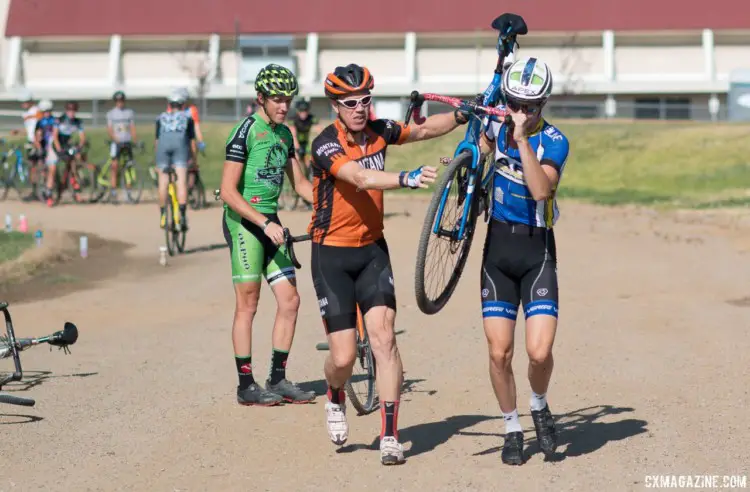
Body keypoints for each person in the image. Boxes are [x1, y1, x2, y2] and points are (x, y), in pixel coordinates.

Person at [310, 63, 469, 465]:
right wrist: (406, 178)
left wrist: (462, 115)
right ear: (336, 106)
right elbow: (359, 179)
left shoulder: (380, 131)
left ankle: (390, 434)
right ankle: (334, 394)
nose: (360, 108)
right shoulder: (324, 143)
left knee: (384, 339)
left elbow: (422, 130)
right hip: (331, 254)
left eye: (365, 100)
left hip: (371, 252)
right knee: (343, 358)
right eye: (351, 103)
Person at [478, 57, 569, 466]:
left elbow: (540, 191)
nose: (520, 113)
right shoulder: (496, 126)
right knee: (499, 353)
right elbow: (473, 154)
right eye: (513, 103)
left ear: (543, 105)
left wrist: (520, 140)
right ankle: (512, 426)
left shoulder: (554, 141)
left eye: (530, 107)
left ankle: (538, 402)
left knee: (538, 352)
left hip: (537, 251)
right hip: (497, 249)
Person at [219, 64, 316, 407]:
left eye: (287, 99)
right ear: (260, 98)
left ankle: (278, 378)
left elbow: (301, 184)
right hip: (245, 222)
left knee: (290, 300)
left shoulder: (285, 135)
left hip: (270, 222)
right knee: (248, 304)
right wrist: (263, 222)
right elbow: (228, 191)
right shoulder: (245, 131)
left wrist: (330, 207)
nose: (283, 106)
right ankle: (246, 385)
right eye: (277, 99)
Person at [155, 91, 196, 230]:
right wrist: (194, 160)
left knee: (163, 182)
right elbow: (191, 142)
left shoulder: (160, 118)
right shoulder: (187, 118)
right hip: (180, 148)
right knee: (181, 182)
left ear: (169, 105)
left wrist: (157, 162)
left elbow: (157, 141)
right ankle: (182, 216)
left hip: (163, 148)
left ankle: (162, 216)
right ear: (183, 104)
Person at [106, 91, 137, 203]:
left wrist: (134, 139)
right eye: (118, 101)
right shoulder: (111, 114)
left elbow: (132, 127)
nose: (120, 103)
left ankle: (128, 193)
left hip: (127, 142)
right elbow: (109, 129)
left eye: (122, 101)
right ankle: (113, 192)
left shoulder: (129, 113)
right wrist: (115, 139)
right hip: (116, 143)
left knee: (129, 167)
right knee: (114, 166)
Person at [56, 101, 87, 203]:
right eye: (70, 110)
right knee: (59, 166)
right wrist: (59, 148)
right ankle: (58, 187)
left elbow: (82, 138)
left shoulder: (78, 122)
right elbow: (55, 137)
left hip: (69, 145)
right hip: (59, 145)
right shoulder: (60, 120)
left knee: (76, 160)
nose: (71, 112)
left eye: (73, 110)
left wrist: (80, 146)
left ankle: (76, 187)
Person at [34, 99, 60, 207]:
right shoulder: (40, 122)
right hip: (44, 148)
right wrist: (39, 146)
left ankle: (49, 194)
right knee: (44, 171)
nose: (47, 113)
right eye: (45, 111)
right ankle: (44, 189)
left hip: (52, 148)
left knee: (52, 169)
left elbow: (56, 135)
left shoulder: (55, 121)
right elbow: (37, 137)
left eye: (48, 111)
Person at [17, 92, 42, 201]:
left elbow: (40, 119)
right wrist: (18, 131)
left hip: (37, 142)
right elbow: (29, 129)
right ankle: (34, 191)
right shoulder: (27, 113)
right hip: (31, 142)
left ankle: (43, 189)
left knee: (39, 166)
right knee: (33, 167)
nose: (23, 104)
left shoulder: (36, 110)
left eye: (25, 102)